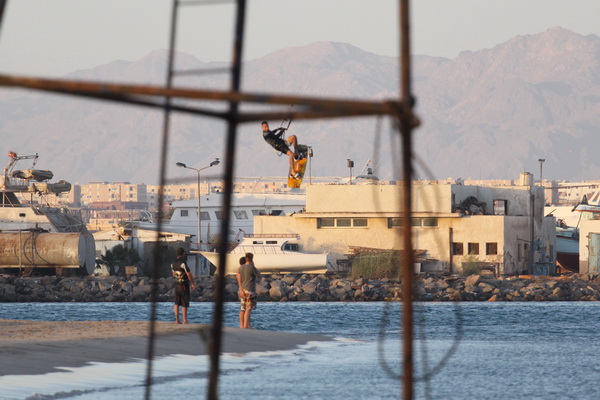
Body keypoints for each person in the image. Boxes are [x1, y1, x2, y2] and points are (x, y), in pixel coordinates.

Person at [236, 252, 262, 329]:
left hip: (242, 290)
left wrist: (241, 289)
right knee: (248, 308)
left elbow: (239, 279)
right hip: (250, 290)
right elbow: (259, 275)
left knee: (242, 309)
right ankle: (246, 326)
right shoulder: (252, 267)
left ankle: (242, 326)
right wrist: (254, 266)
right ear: (252, 259)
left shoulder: (240, 268)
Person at [171, 247, 195, 324]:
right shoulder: (183, 263)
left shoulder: (173, 263)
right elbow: (188, 273)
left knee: (176, 302)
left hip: (176, 284)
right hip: (183, 284)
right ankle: (185, 320)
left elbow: (173, 274)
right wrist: (192, 283)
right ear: (183, 254)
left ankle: (177, 320)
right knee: (184, 302)